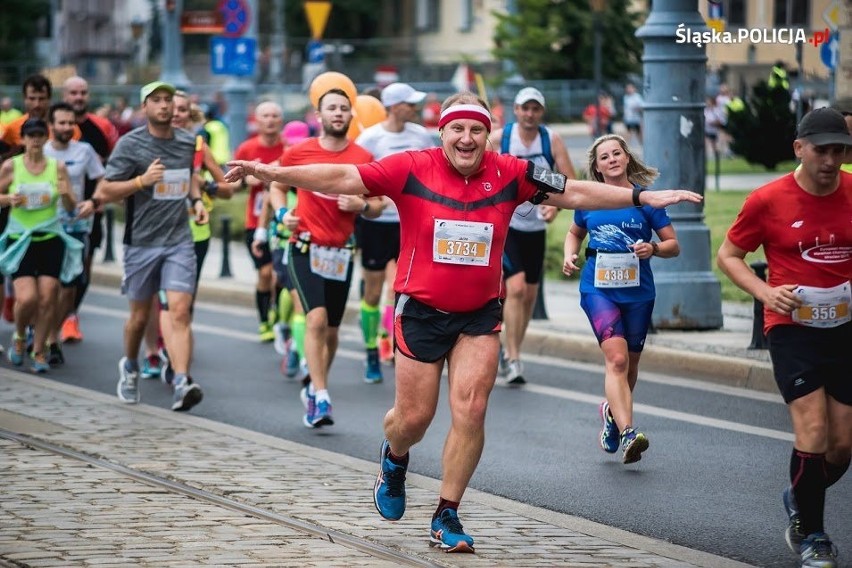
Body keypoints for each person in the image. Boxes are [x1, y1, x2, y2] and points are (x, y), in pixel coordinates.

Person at [225, 91, 701, 553]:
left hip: (478, 313)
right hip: (421, 309)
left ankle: (446, 513)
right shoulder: (411, 166)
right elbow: (343, 178)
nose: (467, 138)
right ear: (443, 133)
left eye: (477, 129)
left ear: (488, 136)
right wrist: (272, 171)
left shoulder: (512, 172)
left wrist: (642, 197)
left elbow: (573, 190)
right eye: (458, 129)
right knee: (414, 418)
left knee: (472, 410)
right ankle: (394, 458)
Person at [716, 107, 851, 568]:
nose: (831, 161)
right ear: (800, 148)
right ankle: (814, 535)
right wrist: (765, 293)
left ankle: (799, 495)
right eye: (822, 151)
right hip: (793, 330)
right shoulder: (768, 200)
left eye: (840, 151)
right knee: (812, 428)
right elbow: (729, 254)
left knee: (842, 445)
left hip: (845, 328)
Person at [562, 134, 680, 464]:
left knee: (631, 364)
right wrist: (569, 255)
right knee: (616, 360)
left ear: (627, 158)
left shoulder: (645, 201)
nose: (612, 159)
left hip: (638, 291)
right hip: (597, 289)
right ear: (597, 167)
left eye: (617, 153)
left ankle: (612, 414)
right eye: (605, 156)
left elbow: (673, 245)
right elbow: (574, 232)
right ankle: (629, 431)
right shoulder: (589, 200)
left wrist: (653, 248)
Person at [266, 88, 378, 427]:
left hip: (341, 253)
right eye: (332, 108)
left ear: (350, 116)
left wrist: (362, 206)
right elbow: (275, 183)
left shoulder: (363, 157)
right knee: (314, 319)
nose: (339, 113)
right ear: (319, 116)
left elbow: (379, 203)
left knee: (331, 330)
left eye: (344, 108)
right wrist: (282, 213)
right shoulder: (300, 153)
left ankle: (316, 386)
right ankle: (320, 394)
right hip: (304, 247)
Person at [93, 81, 208, 412]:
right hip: (141, 242)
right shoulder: (131, 145)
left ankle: (182, 381)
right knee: (140, 317)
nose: (164, 106)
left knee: (180, 310)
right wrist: (141, 182)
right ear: (144, 107)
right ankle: (129, 365)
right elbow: (104, 192)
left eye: (168, 100)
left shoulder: (187, 142)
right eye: (156, 100)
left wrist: (197, 201)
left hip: (178, 240)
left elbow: (191, 179)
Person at [488, 86, 576, 385]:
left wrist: (555, 210)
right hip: (507, 224)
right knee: (515, 289)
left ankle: (510, 348)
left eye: (535, 109)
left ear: (542, 112)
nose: (529, 114)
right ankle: (513, 359)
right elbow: (480, 173)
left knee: (529, 296)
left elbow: (568, 183)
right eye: (524, 108)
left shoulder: (550, 140)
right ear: (516, 110)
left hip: (535, 226)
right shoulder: (502, 139)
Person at [354, 82, 433, 382]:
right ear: (393, 106)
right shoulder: (370, 139)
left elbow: (432, 174)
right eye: (408, 103)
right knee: (373, 293)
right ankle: (371, 350)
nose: (413, 107)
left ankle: (397, 343)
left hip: (409, 224)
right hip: (375, 225)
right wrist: (373, 199)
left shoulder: (420, 135)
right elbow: (358, 179)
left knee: (402, 290)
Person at [0, 117, 81, 372]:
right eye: (30, 135)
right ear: (23, 139)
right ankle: (21, 335)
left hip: (50, 238)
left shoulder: (57, 168)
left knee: (48, 298)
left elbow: (71, 206)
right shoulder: (11, 167)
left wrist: (66, 193)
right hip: (21, 239)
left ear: (46, 138)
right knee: (27, 298)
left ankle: (39, 352)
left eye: (39, 135)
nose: (35, 140)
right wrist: (8, 198)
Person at [42, 102, 105, 365]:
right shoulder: (41, 151)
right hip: (46, 225)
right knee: (48, 286)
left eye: (71, 123)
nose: (67, 127)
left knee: (69, 287)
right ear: (51, 125)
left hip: (77, 226)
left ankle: (51, 334)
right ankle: (45, 337)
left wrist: (93, 201)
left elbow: (102, 178)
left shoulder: (85, 151)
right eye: (62, 123)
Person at [60, 75, 120, 343]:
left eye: (83, 92)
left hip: (90, 208)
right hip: (56, 211)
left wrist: (100, 198)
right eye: (73, 93)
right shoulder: (56, 127)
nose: (78, 97)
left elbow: (116, 164)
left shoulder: (102, 127)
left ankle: (71, 315)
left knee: (83, 266)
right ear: (64, 96)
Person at [233, 101, 285, 342]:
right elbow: (231, 184)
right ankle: (265, 319)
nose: (271, 120)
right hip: (256, 223)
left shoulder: (289, 149)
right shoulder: (247, 148)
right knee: (265, 273)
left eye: (275, 115)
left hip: (284, 221)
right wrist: (246, 181)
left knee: (280, 275)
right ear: (257, 120)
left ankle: (277, 313)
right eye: (266, 115)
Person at [1, 74, 52, 154]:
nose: (37, 104)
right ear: (24, 99)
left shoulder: (65, 128)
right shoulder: (12, 128)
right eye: (32, 98)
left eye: (41, 99)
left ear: (49, 99)